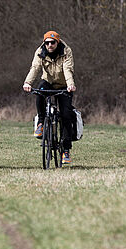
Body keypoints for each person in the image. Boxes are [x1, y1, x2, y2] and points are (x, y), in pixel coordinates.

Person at [22, 30, 77, 165]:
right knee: (39, 93)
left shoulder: (66, 51)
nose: (50, 45)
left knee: (65, 115)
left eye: (52, 42)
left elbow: (67, 69)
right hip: (48, 81)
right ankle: (41, 122)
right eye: (47, 43)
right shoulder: (40, 51)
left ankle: (66, 150)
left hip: (64, 84)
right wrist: (28, 82)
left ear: (57, 42)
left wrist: (70, 84)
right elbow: (35, 67)